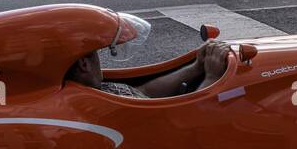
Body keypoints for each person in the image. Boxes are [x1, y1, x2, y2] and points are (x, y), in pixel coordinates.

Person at [66, 39, 231, 98]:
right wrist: (212, 77)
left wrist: (195, 68)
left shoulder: (92, 90)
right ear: (84, 64)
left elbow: (143, 92)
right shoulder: (96, 103)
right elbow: (189, 118)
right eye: (95, 52)